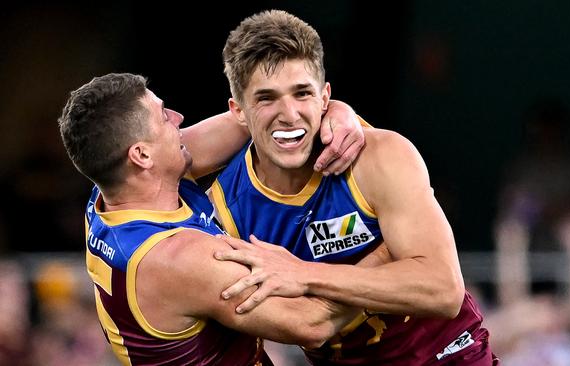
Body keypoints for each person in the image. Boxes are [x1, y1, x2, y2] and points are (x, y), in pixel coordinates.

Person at [209, 10, 497, 365]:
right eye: (266, 98)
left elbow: (443, 289)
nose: (289, 114)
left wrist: (304, 274)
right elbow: (303, 325)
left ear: (325, 97)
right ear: (237, 111)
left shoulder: (379, 155)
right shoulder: (224, 214)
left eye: (302, 93)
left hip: (449, 358)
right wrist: (387, 258)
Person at [57, 72, 381, 365]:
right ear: (141, 155)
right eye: (163, 117)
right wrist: (385, 249)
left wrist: (338, 111)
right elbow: (312, 323)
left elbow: (254, 117)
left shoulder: (119, 188)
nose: (178, 118)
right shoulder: (179, 259)